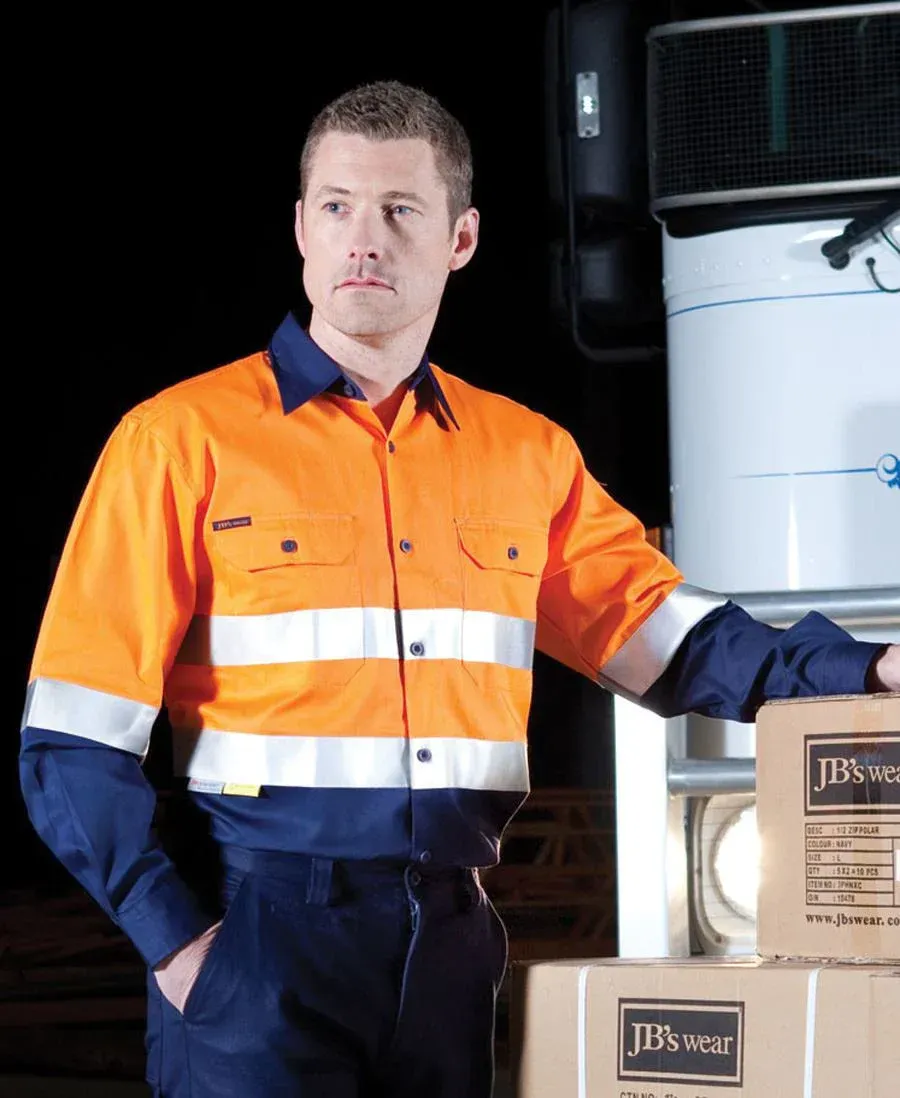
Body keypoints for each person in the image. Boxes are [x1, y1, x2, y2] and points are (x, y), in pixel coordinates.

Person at [19, 80, 898, 1098]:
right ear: (301, 228)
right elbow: (73, 742)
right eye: (339, 206)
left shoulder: (526, 455)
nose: (365, 239)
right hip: (259, 941)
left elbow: (670, 638)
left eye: (401, 210)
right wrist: (178, 946)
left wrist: (867, 665)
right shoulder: (178, 441)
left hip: (451, 938)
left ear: (461, 239)